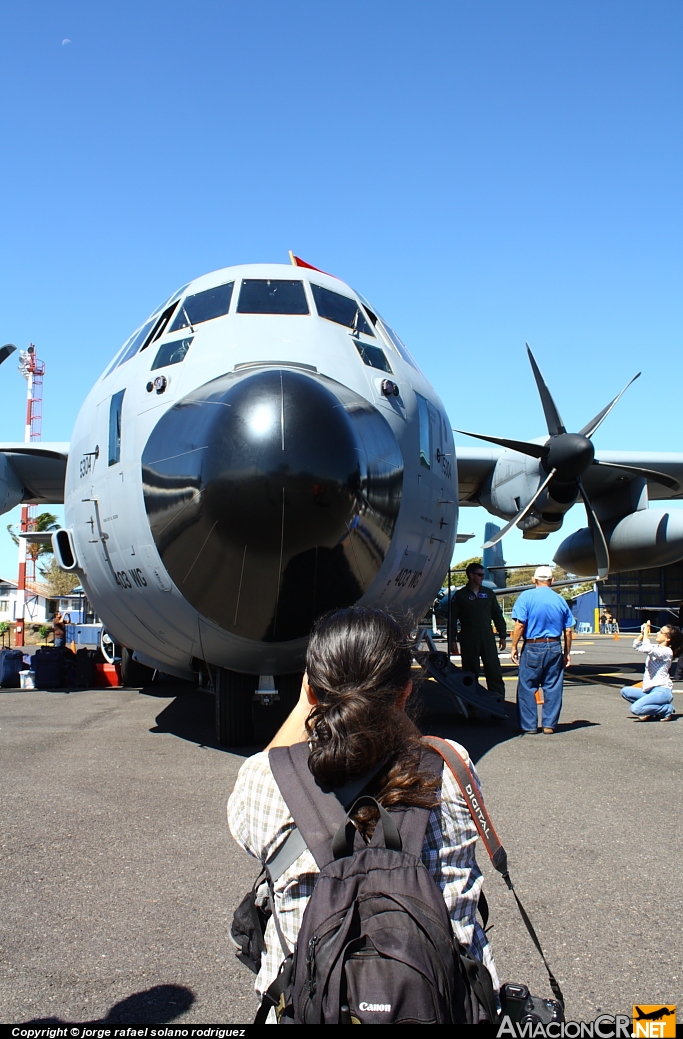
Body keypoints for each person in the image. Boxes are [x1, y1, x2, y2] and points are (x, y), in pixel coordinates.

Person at [228, 606, 498, 1019]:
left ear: (312, 692)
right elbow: (420, 746)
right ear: (405, 693)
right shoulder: (453, 765)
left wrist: (306, 705)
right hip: (446, 1005)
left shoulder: (263, 779)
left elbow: (258, 788)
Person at [510, 565, 574, 735]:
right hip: (554, 645)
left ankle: (529, 726)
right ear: (552, 581)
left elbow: (520, 624)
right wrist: (566, 653)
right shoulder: (560, 600)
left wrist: (514, 646)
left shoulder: (526, 597)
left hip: (532, 645)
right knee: (552, 686)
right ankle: (549, 725)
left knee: (527, 686)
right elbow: (568, 630)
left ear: (534, 580)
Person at [450, 562, 506, 696]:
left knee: (494, 670)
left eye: (483, 575)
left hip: (487, 636)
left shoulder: (488, 593)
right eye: (480, 575)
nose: (482, 578)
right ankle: (471, 705)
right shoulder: (460, 595)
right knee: (470, 672)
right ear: (471, 575)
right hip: (469, 637)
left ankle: (498, 702)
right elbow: (452, 619)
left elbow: (497, 615)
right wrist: (452, 640)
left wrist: (503, 635)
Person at [620, 621, 682, 721]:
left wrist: (646, 634)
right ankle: (651, 710)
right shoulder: (655, 647)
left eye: (661, 632)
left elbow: (646, 648)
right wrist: (642, 633)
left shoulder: (666, 651)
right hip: (649, 690)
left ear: (668, 638)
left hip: (662, 691)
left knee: (636, 709)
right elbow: (636, 646)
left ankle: (667, 709)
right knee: (625, 691)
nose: (658, 633)